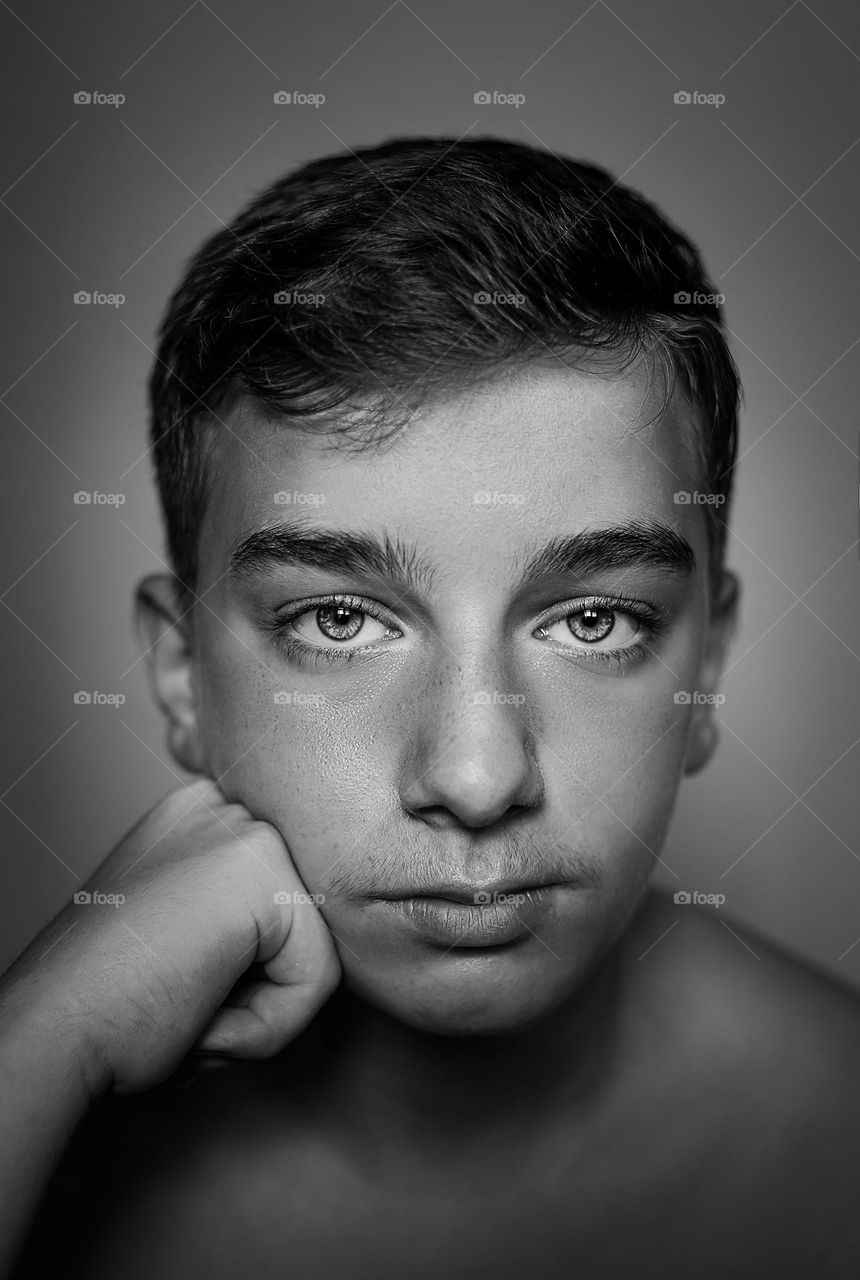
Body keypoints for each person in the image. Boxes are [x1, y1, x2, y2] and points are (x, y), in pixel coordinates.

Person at [2, 136, 858, 1280]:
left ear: (705, 666)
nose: (473, 775)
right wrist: (42, 1037)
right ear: (177, 672)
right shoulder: (52, 1147)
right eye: (339, 620)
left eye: (592, 619)